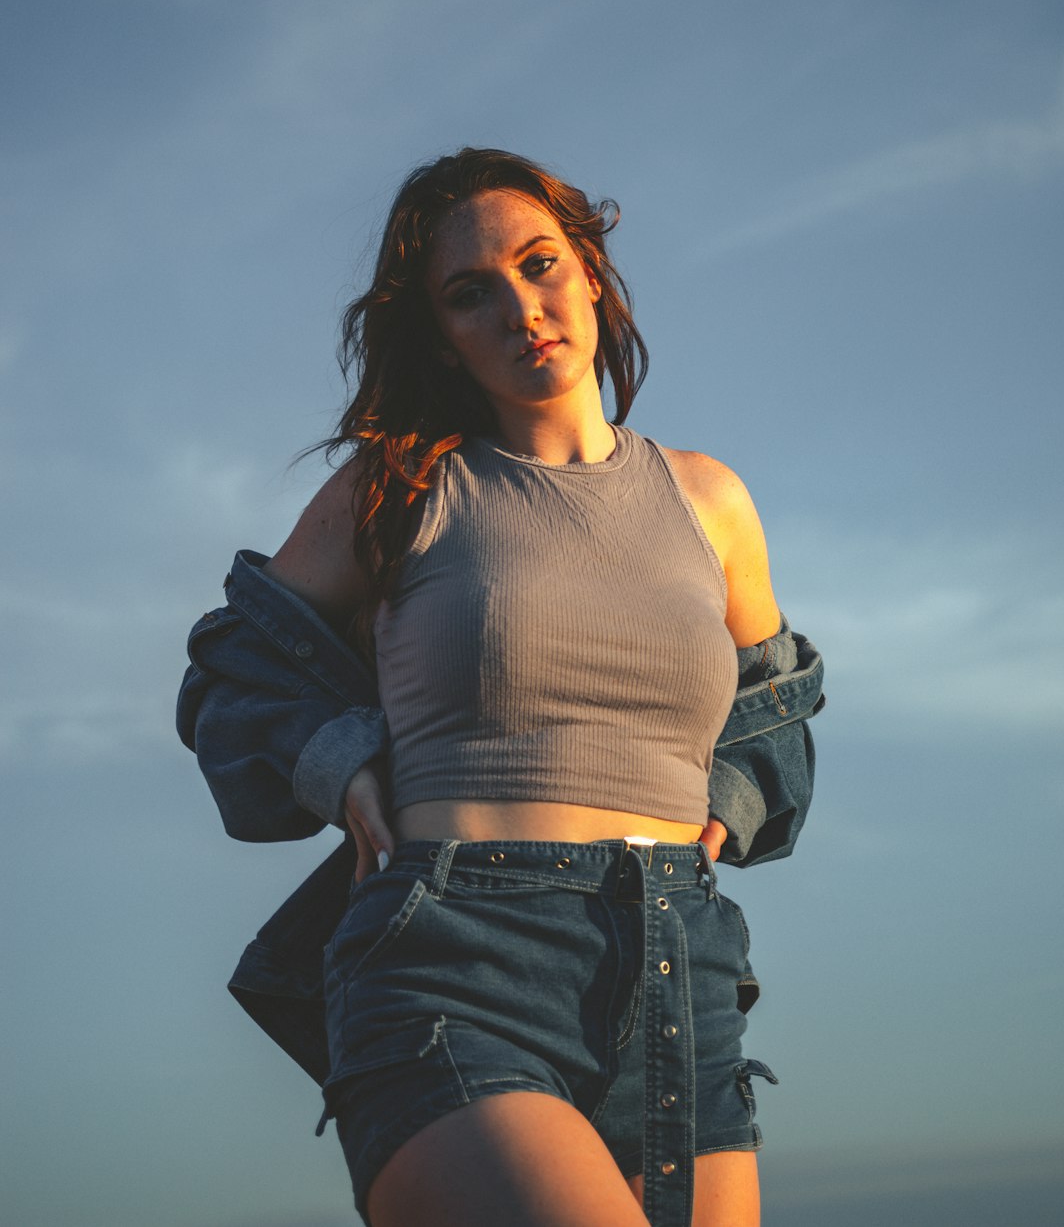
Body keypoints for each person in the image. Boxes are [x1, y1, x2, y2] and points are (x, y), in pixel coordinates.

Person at [177, 148, 824, 1227]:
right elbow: (234, 669)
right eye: (471, 293)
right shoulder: (399, 489)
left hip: (680, 966)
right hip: (457, 961)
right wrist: (336, 766)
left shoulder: (710, 500)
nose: (521, 308)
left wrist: (733, 805)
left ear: (593, 276)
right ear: (439, 333)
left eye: (540, 266)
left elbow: (777, 717)